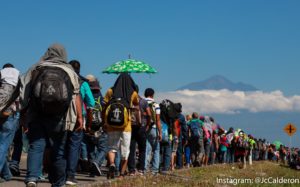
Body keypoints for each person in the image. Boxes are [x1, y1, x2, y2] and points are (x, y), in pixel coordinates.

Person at [20, 44, 83, 187]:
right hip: (61, 116)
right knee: (59, 150)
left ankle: (32, 178)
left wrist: (23, 115)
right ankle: (58, 182)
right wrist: (79, 117)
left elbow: (25, 93)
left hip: (37, 114)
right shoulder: (69, 71)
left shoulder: (36, 68)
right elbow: (75, 96)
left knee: (36, 146)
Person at [65, 60, 95, 185]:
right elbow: (91, 103)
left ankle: (56, 172)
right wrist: (88, 123)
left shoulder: (62, 78)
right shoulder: (83, 83)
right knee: (74, 146)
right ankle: (70, 175)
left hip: (61, 116)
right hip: (78, 118)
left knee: (61, 145)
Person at [104, 73, 139, 179]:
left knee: (112, 148)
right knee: (125, 151)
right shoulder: (132, 93)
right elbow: (136, 104)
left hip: (111, 124)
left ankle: (112, 164)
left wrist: (104, 122)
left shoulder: (111, 91)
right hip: (126, 126)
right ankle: (122, 174)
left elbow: (104, 105)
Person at [0, 63, 20, 183]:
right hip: (10, 113)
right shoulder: (18, 76)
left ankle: (6, 174)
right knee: (4, 144)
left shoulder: (1, 75)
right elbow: (19, 100)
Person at [85, 74, 108, 177]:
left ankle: (92, 169)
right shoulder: (101, 97)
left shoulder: (86, 96)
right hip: (99, 125)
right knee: (103, 148)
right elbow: (104, 111)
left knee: (90, 148)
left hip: (88, 125)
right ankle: (96, 162)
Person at [128, 86, 151, 176]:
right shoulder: (143, 101)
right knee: (142, 149)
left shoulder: (129, 101)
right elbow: (149, 114)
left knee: (131, 149)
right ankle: (141, 169)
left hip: (131, 127)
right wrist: (148, 125)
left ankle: (131, 170)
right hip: (142, 127)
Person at [144, 88, 162, 175]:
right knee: (156, 150)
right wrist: (160, 132)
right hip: (154, 128)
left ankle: (145, 168)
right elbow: (158, 120)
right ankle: (155, 170)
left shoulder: (142, 103)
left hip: (144, 128)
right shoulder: (156, 105)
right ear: (153, 95)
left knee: (146, 149)